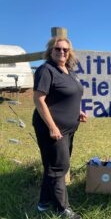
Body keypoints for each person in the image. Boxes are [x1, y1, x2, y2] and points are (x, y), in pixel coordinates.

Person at [32, 36, 86, 219]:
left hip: (69, 127)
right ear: (50, 51)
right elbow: (39, 100)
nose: (62, 52)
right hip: (53, 128)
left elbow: (69, 96)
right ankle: (63, 209)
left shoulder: (68, 71)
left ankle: (43, 203)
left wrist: (77, 112)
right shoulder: (46, 70)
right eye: (58, 49)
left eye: (65, 49)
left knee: (53, 165)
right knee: (59, 167)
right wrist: (52, 127)